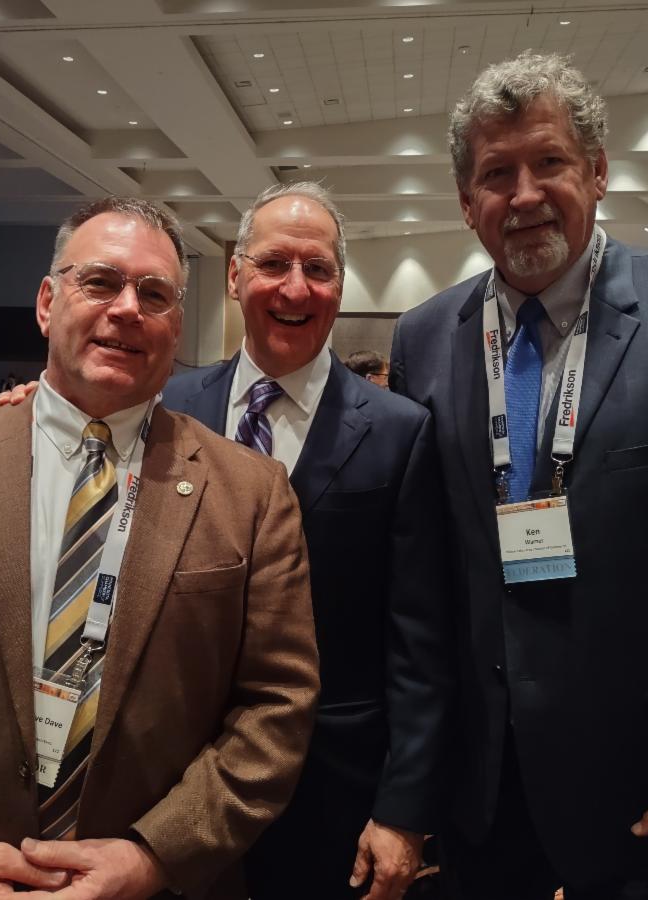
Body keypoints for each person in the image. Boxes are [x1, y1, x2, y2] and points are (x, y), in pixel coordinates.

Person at [0, 197, 320, 900]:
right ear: (47, 303)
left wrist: (155, 857)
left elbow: (276, 706)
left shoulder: (252, 494)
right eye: (100, 282)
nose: (127, 308)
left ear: (175, 326)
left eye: (155, 294)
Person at [390, 51, 648, 899]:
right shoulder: (425, 338)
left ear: (597, 171)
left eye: (549, 161)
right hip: (485, 789)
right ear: (467, 202)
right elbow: (425, 583)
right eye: (496, 173)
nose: (524, 194)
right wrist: (414, 783)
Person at [161, 182, 451, 900]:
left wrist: (404, 809)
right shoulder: (167, 408)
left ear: (339, 287)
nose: (296, 288)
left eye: (317, 269)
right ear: (235, 276)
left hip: (334, 790)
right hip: (171, 778)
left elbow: (421, 639)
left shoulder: (400, 432)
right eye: (274, 264)